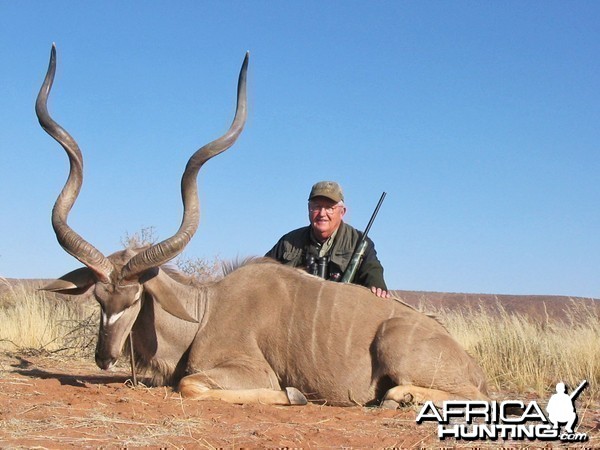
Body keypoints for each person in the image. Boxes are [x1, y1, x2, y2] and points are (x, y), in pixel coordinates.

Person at [266, 181, 390, 298]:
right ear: (309, 209)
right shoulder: (288, 241)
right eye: (316, 207)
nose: (322, 213)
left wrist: (377, 285)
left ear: (342, 212)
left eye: (329, 208)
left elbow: (372, 269)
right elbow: (263, 270)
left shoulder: (359, 242)